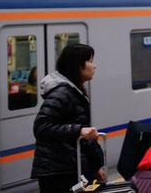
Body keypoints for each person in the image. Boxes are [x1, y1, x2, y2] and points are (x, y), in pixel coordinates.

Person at [31, 44, 104, 193]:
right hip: (59, 174)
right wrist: (78, 130)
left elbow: (83, 139)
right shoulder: (62, 93)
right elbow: (41, 127)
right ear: (78, 65)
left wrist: (96, 166)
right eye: (90, 61)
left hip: (70, 169)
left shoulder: (74, 91)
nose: (94, 66)